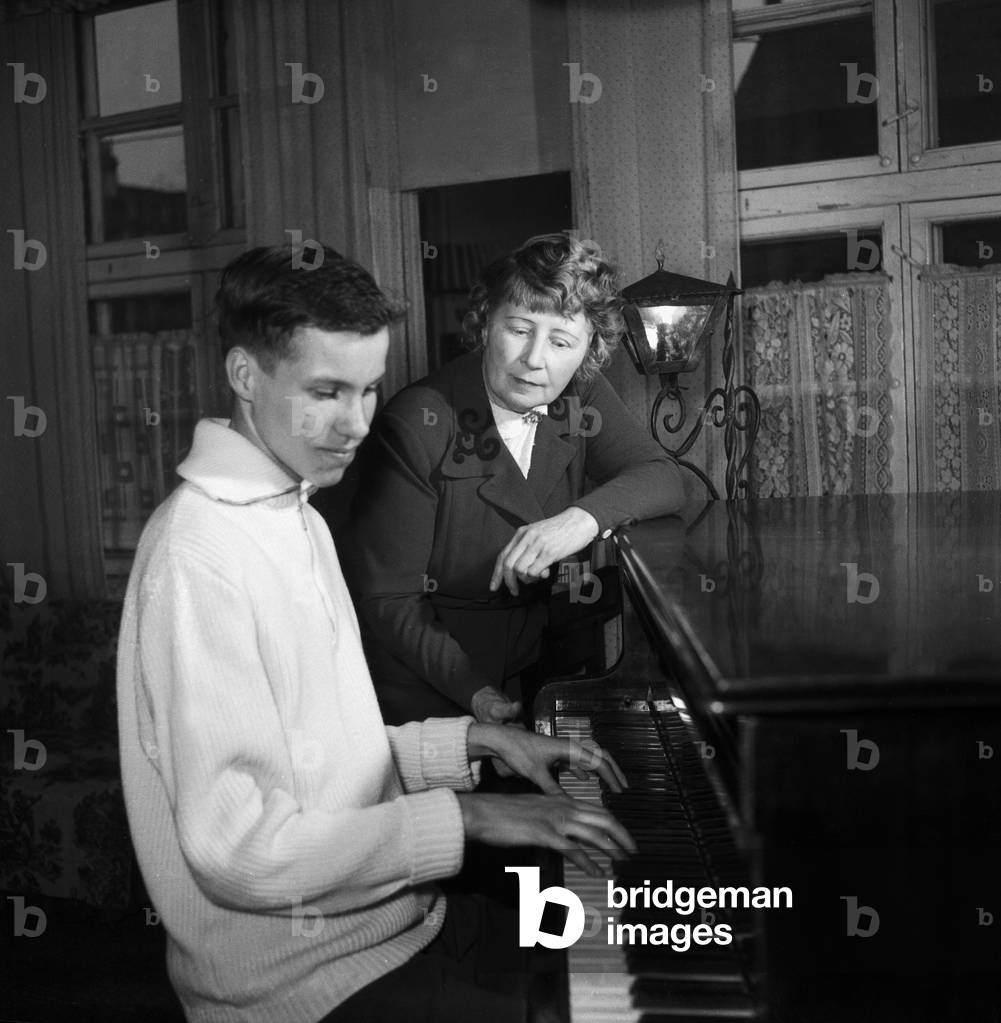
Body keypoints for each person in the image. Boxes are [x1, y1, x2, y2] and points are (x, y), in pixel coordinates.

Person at [116, 244, 636, 1023]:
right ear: (244, 375)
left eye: (366, 389)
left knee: (598, 946)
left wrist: (476, 744)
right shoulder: (199, 555)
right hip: (300, 984)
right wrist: (468, 814)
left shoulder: (293, 512)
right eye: (325, 391)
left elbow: (321, 759)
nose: (356, 424)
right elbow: (241, 852)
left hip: (395, 924)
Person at [339, 233, 687, 727]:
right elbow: (390, 601)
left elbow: (664, 476)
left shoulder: (579, 393)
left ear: (590, 349)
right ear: (485, 325)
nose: (535, 359)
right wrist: (479, 698)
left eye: (562, 341)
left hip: (550, 673)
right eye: (519, 329)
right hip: (438, 692)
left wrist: (580, 520)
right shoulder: (415, 423)